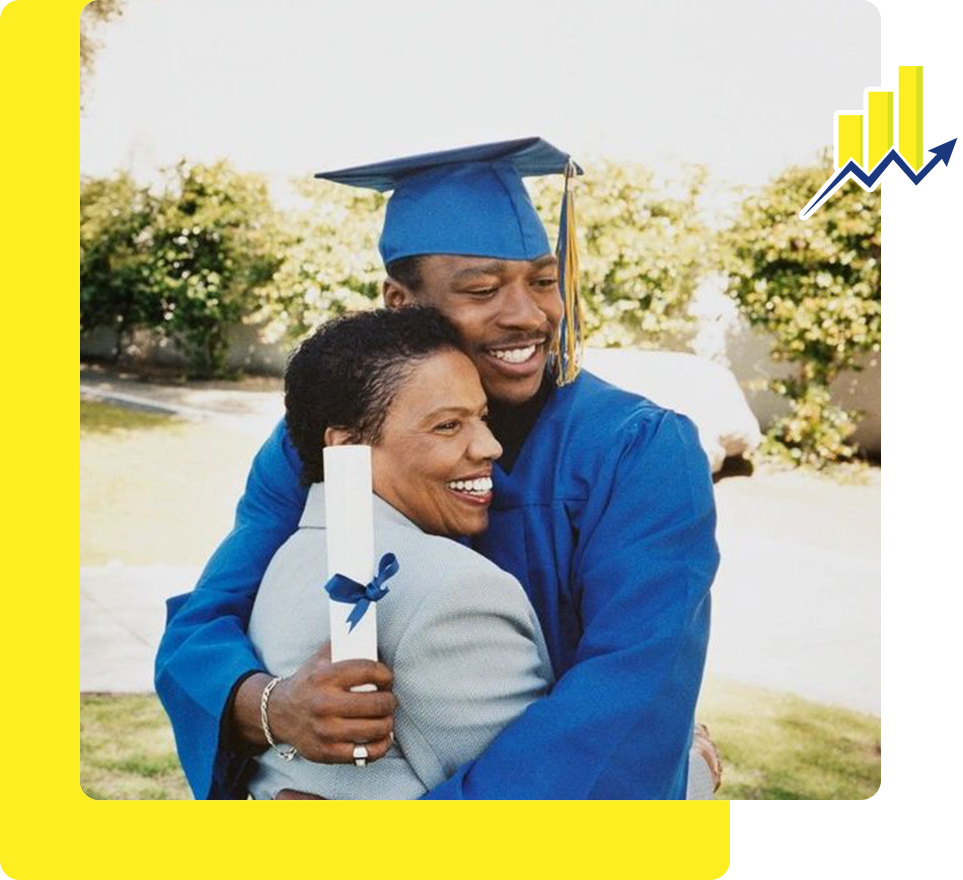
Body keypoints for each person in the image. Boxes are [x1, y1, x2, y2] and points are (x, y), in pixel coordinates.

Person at [155, 137, 721, 799]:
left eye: (543, 280)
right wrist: (268, 706)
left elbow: (628, 694)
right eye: (482, 289)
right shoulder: (328, 440)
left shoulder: (639, 450)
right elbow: (207, 619)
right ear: (401, 302)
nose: (528, 314)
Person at [248, 306, 553, 799]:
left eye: (481, 417)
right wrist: (687, 766)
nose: (491, 446)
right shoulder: (452, 589)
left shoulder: (289, 559)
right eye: (447, 427)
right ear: (347, 446)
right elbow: (545, 804)